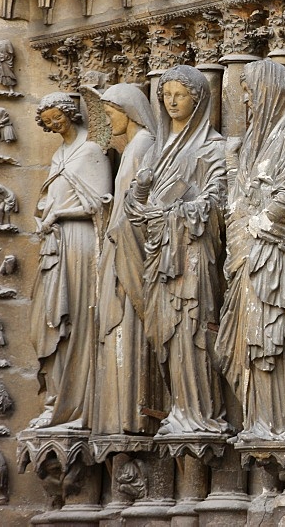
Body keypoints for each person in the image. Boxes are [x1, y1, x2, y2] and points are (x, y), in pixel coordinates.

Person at [217, 59, 285, 441]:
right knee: (245, 340)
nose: (245, 99)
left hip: (274, 253)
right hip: (248, 252)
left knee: (271, 335)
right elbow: (240, 195)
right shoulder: (259, 135)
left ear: (269, 90)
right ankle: (258, 419)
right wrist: (231, 165)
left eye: (250, 89)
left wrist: (258, 218)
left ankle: (278, 423)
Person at [125, 66, 228, 437]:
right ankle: (179, 408)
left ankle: (200, 413)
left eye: (179, 94)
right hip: (158, 254)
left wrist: (175, 210)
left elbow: (219, 201)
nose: (170, 101)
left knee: (192, 329)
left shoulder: (213, 147)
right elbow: (134, 210)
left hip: (193, 254)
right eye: (165, 94)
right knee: (166, 334)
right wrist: (139, 193)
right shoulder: (156, 150)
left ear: (198, 99)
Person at [30, 92, 112, 428]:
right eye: (47, 122)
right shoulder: (59, 154)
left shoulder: (91, 151)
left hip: (80, 244)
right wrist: (46, 216)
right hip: (54, 245)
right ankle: (55, 401)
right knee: (49, 322)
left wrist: (58, 215)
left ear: (71, 114)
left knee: (77, 319)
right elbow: (51, 198)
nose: (53, 124)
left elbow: (99, 203)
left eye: (57, 117)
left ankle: (78, 406)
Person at [94, 84, 160, 436]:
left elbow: (141, 204)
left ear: (130, 110)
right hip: (119, 245)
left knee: (128, 327)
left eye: (110, 114)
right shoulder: (132, 147)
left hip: (131, 250)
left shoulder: (145, 145)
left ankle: (131, 417)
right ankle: (117, 414)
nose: (108, 121)